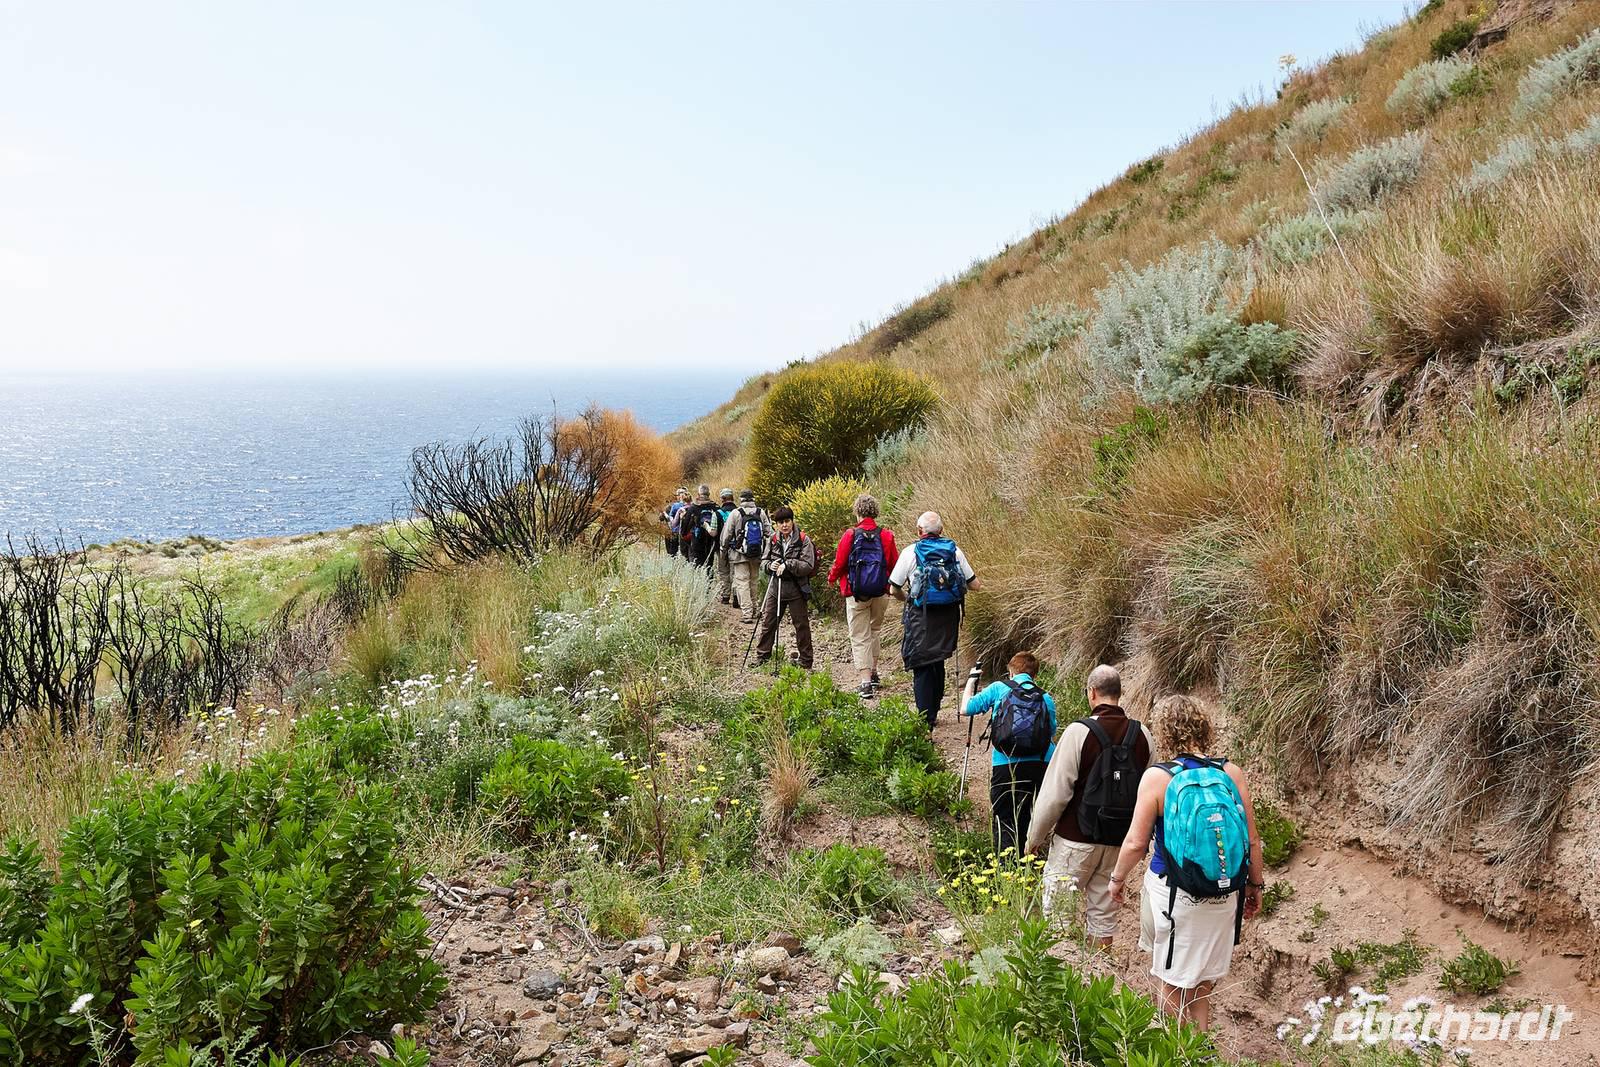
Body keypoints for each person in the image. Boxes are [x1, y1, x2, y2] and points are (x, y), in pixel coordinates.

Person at [1107, 694, 1264, 1032]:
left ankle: (1174, 1053)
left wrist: (1117, 879)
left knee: (1171, 983)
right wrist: (1255, 886)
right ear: (1205, 727)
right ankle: (1201, 1048)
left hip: (1175, 894)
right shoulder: (1231, 773)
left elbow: (1136, 842)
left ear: (1163, 732)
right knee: (1202, 984)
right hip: (1225, 894)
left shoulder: (1159, 778)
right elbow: (1251, 840)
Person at [1024, 663, 1154, 950]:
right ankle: (1098, 977)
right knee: (1103, 918)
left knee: (1059, 916)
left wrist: (1034, 837)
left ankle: (1064, 982)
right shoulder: (1143, 735)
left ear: (1092, 693)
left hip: (1075, 839)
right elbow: (1149, 792)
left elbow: (1055, 794)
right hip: (1118, 844)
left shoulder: (1078, 732)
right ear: (1119, 694)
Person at [960, 651, 1058, 856]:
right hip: (1039, 766)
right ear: (1035, 675)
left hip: (1005, 764)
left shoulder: (999, 688)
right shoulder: (1045, 698)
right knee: (1031, 816)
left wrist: (971, 680)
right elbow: (1051, 731)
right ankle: (1028, 862)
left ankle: (1007, 869)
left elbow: (966, 708)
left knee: (1005, 819)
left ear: (1011, 672)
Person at [889, 511, 978, 729]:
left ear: (919, 532)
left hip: (922, 616)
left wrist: (908, 599)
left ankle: (925, 720)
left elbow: (894, 588)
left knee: (922, 664)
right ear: (941, 530)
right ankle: (934, 709)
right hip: (948, 616)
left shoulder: (910, 552)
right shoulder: (954, 551)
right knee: (938, 660)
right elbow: (975, 585)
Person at [826, 493, 897, 698]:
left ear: (857, 511)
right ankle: (874, 673)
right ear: (875, 511)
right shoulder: (886, 535)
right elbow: (894, 564)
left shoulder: (850, 534)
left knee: (859, 636)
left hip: (855, 592)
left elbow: (840, 563)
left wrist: (831, 578)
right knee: (874, 630)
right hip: (881, 590)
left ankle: (865, 683)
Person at [753, 505, 816, 670]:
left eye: (787, 521)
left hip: (796, 589)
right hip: (775, 589)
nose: (784, 525)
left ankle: (806, 661)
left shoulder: (803, 539)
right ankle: (762, 657)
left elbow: (808, 565)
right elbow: (764, 562)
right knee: (768, 623)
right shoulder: (773, 539)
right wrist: (769, 566)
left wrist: (788, 565)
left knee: (801, 626)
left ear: (792, 521)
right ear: (776, 524)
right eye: (780, 522)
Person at [722, 490, 771, 624]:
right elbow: (769, 532)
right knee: (754, 581)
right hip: (757, 553)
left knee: (742, 582)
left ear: (741, 500)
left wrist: (724, 549)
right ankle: (755, 610)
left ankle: (747, 613)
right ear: (753, 499)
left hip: (739, 554)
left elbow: (726, 535)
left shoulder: (736, 513)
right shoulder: (760, 512)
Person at [685, 484, 721, 569]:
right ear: (709, 494)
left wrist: (686, 539)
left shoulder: (693, 507)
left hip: (697, 539)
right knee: (709, 563)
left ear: (698, 494)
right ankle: (709, 580)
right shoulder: (715, 507)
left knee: (697, 563)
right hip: (711, 539)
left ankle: (699, 579)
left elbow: (685, 526)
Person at [712, 488, 738, 603]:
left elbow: (714, 532)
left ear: (722, 499)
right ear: (732, 498)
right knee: (736, 572)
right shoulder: (739, 512)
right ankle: (737, 596)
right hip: (736, 548)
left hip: (721, 547)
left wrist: (706, 526)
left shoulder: (717, 513)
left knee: (723, 571)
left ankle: (726, 596)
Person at [659, 488, 690, 557]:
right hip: (686, 532)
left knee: (672, 553)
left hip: (672, 532)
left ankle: (674, 563)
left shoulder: (671, 506)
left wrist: (663, 513)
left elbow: (661, 518)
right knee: (685, 552)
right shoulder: (691, 506)